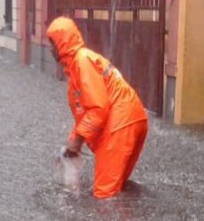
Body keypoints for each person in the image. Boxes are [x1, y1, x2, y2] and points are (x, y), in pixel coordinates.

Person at [46, 16, 149, 199]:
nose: (51, 49)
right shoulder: (81, 63)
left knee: (104, 196)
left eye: (53, 43)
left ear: (63, 42)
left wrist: (77, 143)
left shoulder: (82, 62)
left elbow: (98, 108)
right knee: (117, 188)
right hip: (132, 120)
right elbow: (85, 112)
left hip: (119, 126)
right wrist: (71, 143)